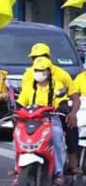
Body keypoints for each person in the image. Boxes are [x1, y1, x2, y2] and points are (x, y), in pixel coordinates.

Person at [21, 43, 81, 174]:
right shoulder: (29, 74)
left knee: (70, 127)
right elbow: (24, 97)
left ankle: (72, 163)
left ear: (49, 57)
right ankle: (18, 167)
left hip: (55, 113)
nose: (37, 59)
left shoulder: (61, 75)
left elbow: (75, 97)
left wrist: (73, 113)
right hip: (33, 115)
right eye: (34, 57)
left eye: (41, 56)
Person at [16, 57, 67, 186]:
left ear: (49, 71)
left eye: (42, 70)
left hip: (50, 120)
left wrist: (62, 106)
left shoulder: (57, 86)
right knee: (16, 136)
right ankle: (17, 170)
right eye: (36, 70)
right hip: (29, 121)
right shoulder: (29, 86)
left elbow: (62, 102)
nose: (39, 72)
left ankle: (59, 173)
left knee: (56, 136)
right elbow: (20, 103)